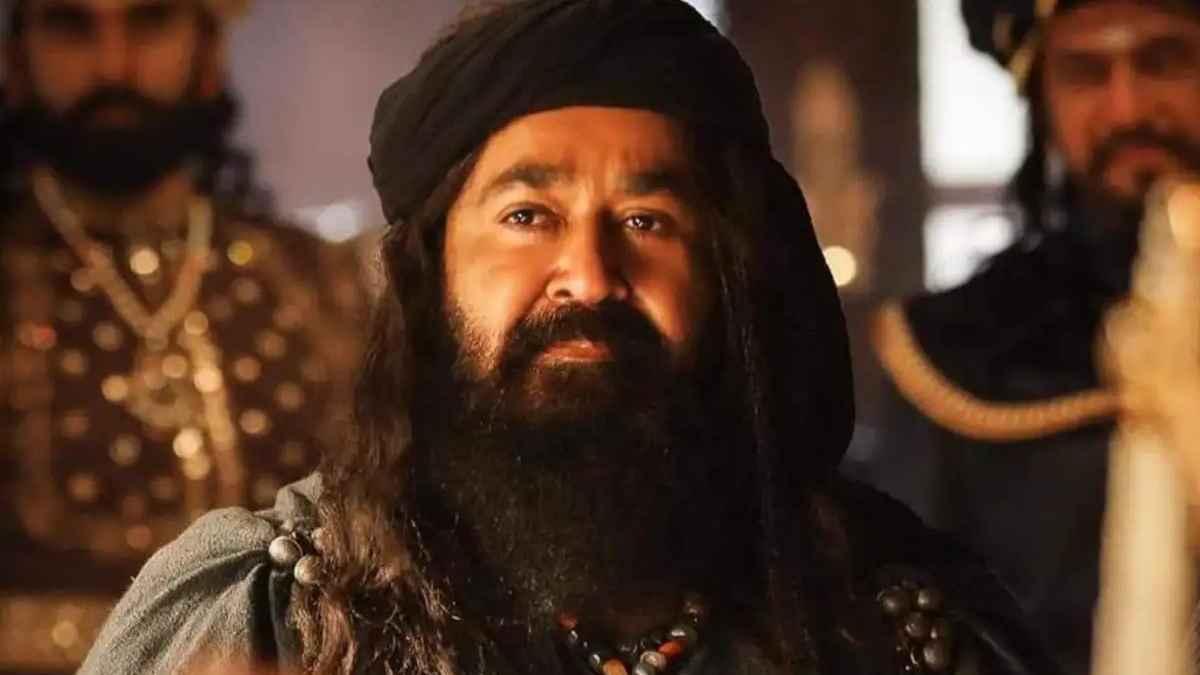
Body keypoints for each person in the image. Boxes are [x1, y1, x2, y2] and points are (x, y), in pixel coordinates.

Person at [79, 2, 1055, 673]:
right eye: (527, 216)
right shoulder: (279, 610)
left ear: (728, 274)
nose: (588, 276)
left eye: (645, 221)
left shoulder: (894, 624)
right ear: (428, 274)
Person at [0, 1, 364, 671]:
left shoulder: (328, 286)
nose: (114, 67)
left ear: (209, 48)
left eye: (150, 21)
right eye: (71, 27)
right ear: (15, 58)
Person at [864, 1, 1200, 673]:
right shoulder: (947, 355)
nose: (1129, 109)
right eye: (1086, 72)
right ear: (1041, 97)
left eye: (1163, 62)